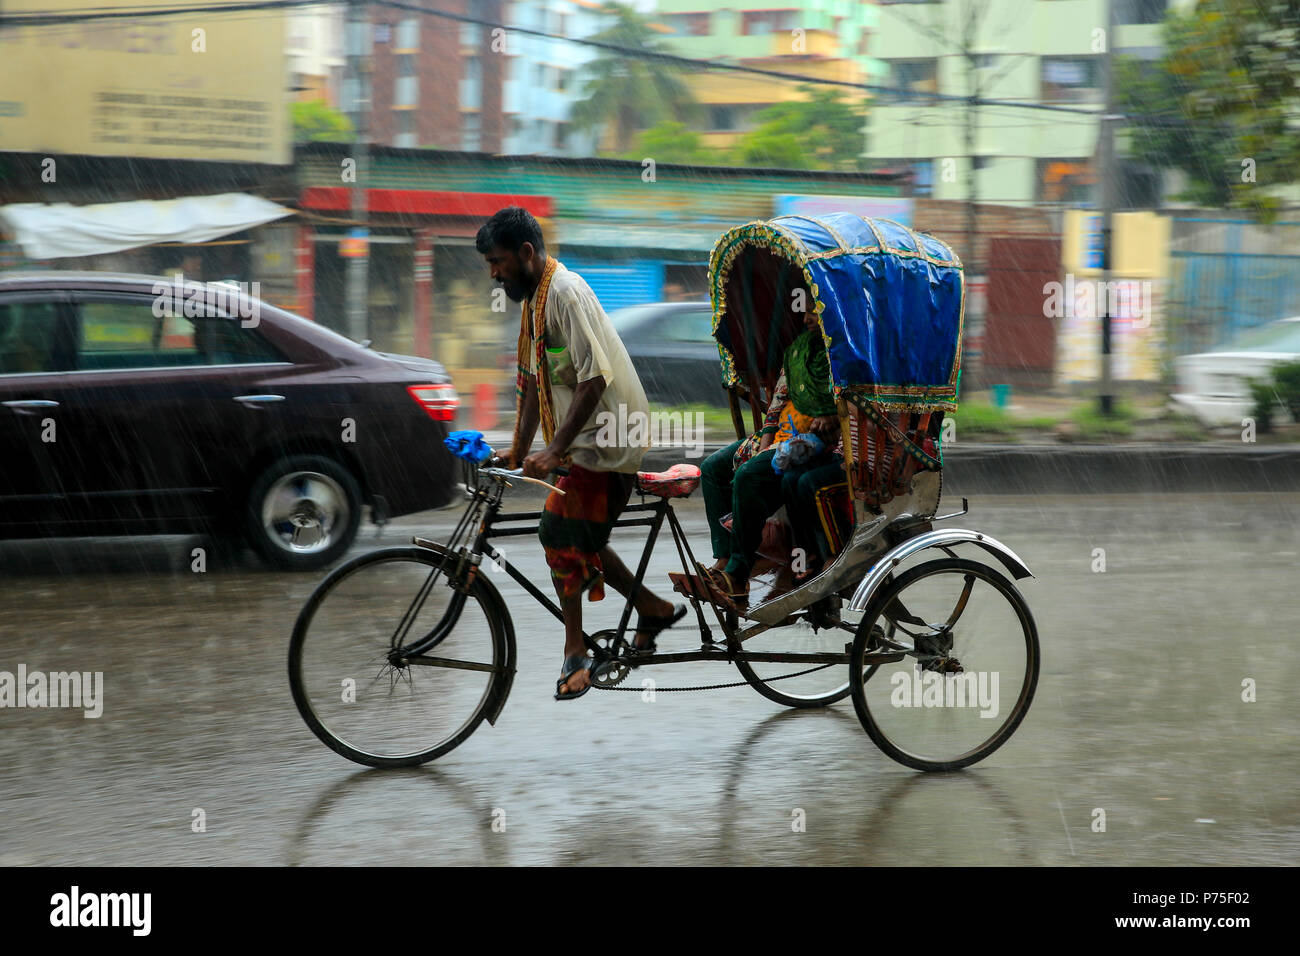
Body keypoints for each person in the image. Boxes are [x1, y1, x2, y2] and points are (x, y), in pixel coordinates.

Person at [476, 207, 683, 701]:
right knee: (576, 533)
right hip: (584, 443)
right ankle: (652, 609)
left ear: (526, 254)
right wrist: (519, 450)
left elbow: (594, 379)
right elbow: (531, 383)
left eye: (498, 262)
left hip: (609, 441)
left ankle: (576, 651)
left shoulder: (566, 294)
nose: (493, 273)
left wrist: (553, 452)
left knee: (556, 529)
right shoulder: (534, 301)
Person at [697, 306, 840, 608]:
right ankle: (724, 559)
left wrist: (831, 416)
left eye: (815, 312)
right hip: (782, 437)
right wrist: (764, 444)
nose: (807, 319)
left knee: (750, 476)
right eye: (806, 312)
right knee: (712, 468)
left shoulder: (843, 351)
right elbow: (776, 405)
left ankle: (739, 571)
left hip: (820, 443)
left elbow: (850, 405)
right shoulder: (799, 351)